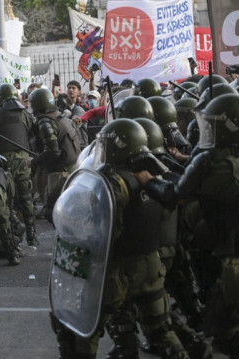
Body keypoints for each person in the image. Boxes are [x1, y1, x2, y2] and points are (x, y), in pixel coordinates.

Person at [51, 119, 189, 359]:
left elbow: (96, 228)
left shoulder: (111, 182)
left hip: (115, 271)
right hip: (150, 266)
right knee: (160, 331)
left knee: (80, 331)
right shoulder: (153, 177)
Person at [135, 94, 239, 357]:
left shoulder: (219, 161)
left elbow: (174, 195)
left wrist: (147, 180)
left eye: (212, 124)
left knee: (226, 332)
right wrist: (166, 169)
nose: (207, 130)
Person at [0, 84, 39, 245]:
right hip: (24, 160)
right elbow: (35, 135)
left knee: (6, 200)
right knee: (26, 198)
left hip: (3, 162)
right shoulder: (25, 114)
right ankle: (32, 235)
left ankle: (10, 237)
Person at [28, 88, 81, 223]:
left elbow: (53, 152)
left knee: (52, 211)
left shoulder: (45, 121)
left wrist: (33, 161)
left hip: (61, 172)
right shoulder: (58, 115)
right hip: (73, 167)